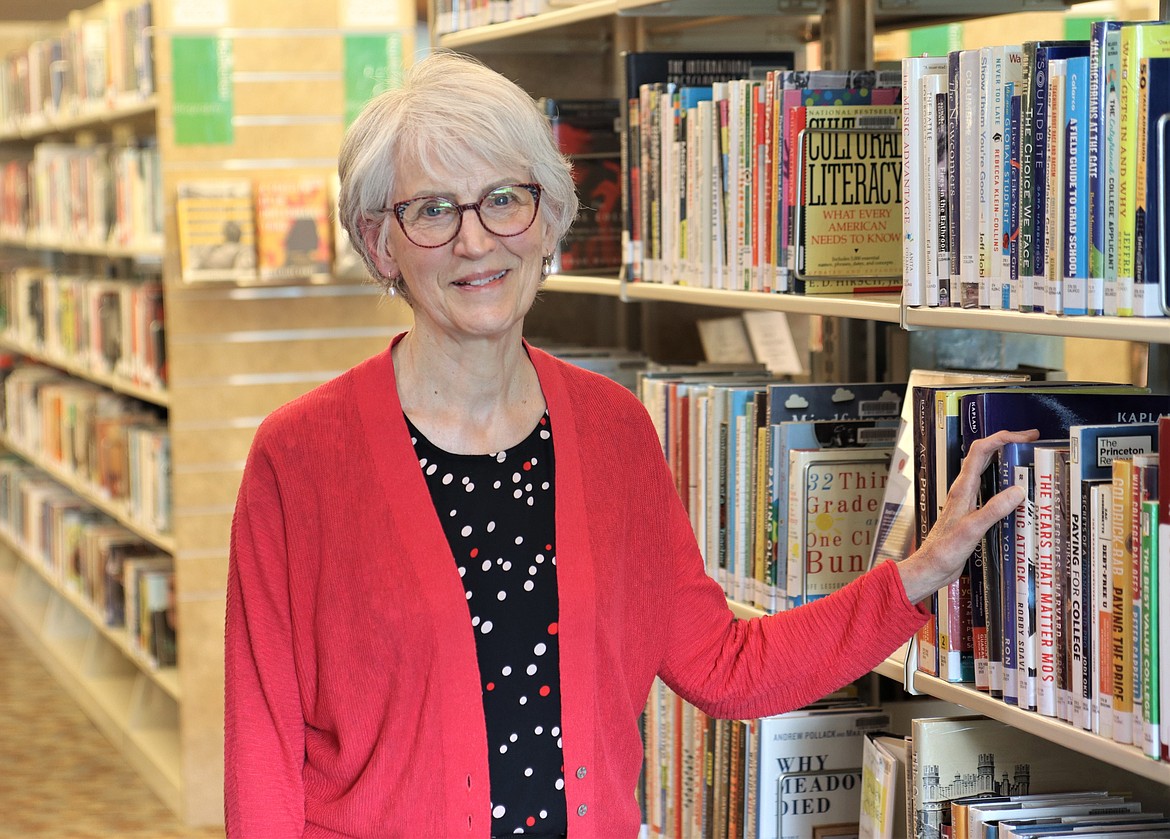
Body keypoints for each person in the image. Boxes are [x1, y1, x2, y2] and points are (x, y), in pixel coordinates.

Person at [223, 50, 1036, 839]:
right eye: (433, 209)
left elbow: (724, 665)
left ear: (547, 224)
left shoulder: (614, 432)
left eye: (505, 198)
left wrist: (916, 574)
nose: (475, 241)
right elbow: (261, 747)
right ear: (379, 243)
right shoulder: (298, 458)